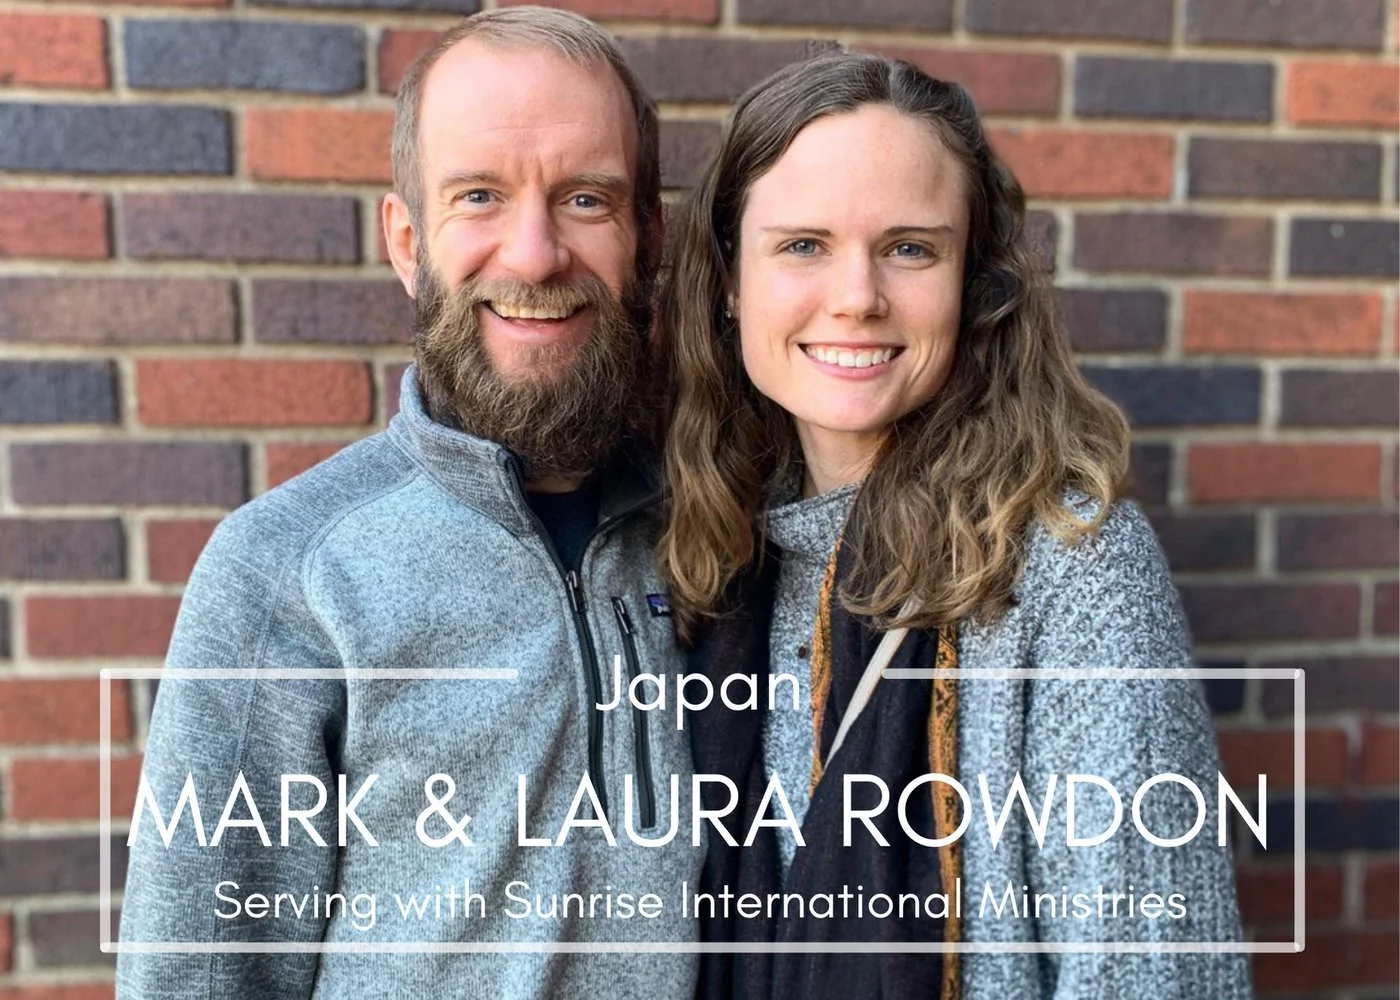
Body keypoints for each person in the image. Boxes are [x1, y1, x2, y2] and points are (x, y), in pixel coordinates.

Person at [118, 8, 700, 998]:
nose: (533, 254)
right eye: (479, 196)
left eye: (585, 199)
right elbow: (198, 973)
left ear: (646, 236)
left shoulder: (721, 529)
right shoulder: (284, 569)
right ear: (406, 240)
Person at [658, 52, 1252, 1000]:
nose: (857, 296)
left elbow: (1155, 975)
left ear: (973, 281)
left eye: (909, 249)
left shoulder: (1072, 568)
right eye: (803, 244)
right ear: (730, 280)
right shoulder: (703, 560)